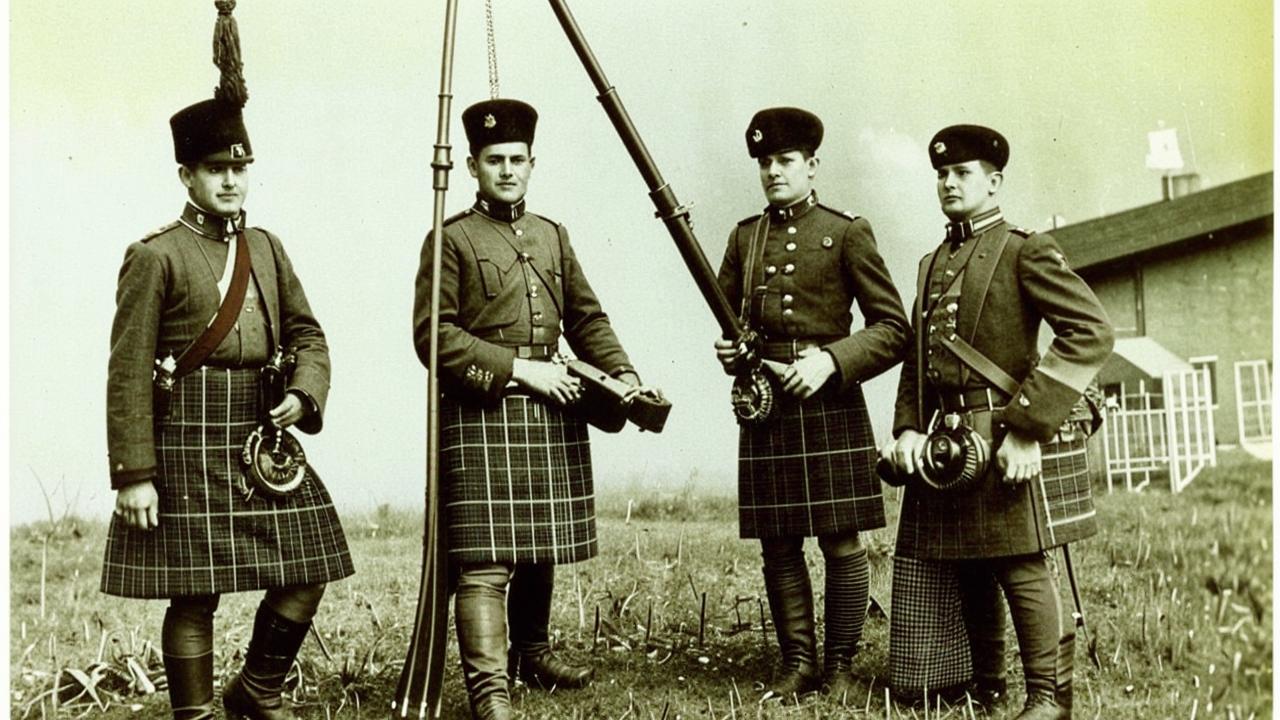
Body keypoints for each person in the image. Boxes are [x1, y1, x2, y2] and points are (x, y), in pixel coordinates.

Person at [102, 94, 354, 720]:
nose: (231, 180)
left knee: (311, 563)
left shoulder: (266, 247)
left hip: (261, 436)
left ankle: (257, 690)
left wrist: (304, 391)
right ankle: (196, 714)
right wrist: (134, 475)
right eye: (216, 169)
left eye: (240, 169)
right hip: (186, 434)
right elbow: (128, 368)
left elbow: (308, 335)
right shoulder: (155, 254)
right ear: (186, 175)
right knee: (195, 593)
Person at [412, 98, 664, 720]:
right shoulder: (450, 240)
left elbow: (585, 317)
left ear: (532, 163)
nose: (506, 170)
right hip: (482, 410)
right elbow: (433, 337)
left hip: (556, 406)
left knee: (538, 543)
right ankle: (489, 690)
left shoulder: (552, 235)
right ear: (471, 166)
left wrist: (623, 374)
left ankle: (532, 651)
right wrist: (523, 370)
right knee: (485, 558)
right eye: (493, 160)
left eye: (517, 160)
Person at [880, 124, 1113, 719]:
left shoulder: (1022, 249)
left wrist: (1030, 429)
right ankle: (988, 686)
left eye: (962, 174)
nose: (949, 183)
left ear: (994, 180)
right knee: (968, 563)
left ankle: (1049, 699)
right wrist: (908, 427)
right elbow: (915, 359)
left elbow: (1090, 332)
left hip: (1003, 433)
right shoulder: (932, 263)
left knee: (1019, 563)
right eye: (942, 174)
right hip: (947, 444)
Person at [713, 107, 909, 701]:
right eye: (765, 162)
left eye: (785, 161)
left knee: (842, 539)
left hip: (829, 401)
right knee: (779, 540)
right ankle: (797, 663)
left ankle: (842, 666)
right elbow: (728, 319)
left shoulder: (847, 232)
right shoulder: (744, 238)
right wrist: (730, 352)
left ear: (812, 165)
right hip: (769, 405)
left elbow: (894, 327)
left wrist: (831, 361)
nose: (774, 171)